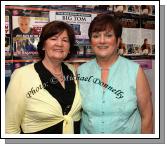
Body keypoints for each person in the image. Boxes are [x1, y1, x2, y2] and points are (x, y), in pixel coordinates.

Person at [77, 13, 153, 134]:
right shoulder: (81, 71)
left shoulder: (135, 71)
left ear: (118, 41)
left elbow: (147, 117)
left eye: (108, 35)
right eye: (96, 36)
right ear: (91, 42)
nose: (102, 41)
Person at [6, 21, 81, 134]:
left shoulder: (72, 71)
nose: (59, 44)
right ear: (43, 45)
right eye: (53, 38)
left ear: (69, 48)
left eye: (65, 40)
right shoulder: (22, 75)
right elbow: (9, 128)